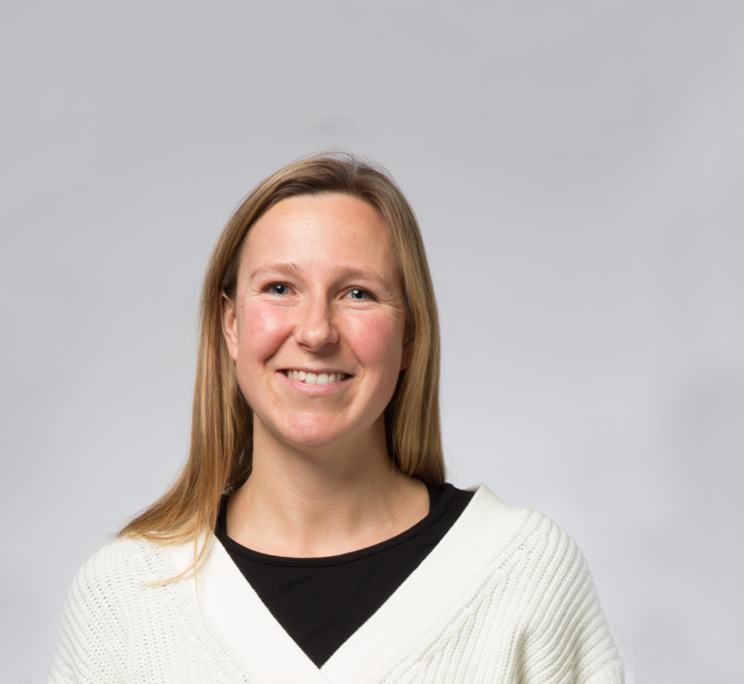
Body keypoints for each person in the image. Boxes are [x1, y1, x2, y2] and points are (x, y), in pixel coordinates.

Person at [48, 154, 625, 683]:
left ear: (409, 339)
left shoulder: (523, 575)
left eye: (357, 294)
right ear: (230, 325)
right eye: (280, 288)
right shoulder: (124, 600)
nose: (316, 331)